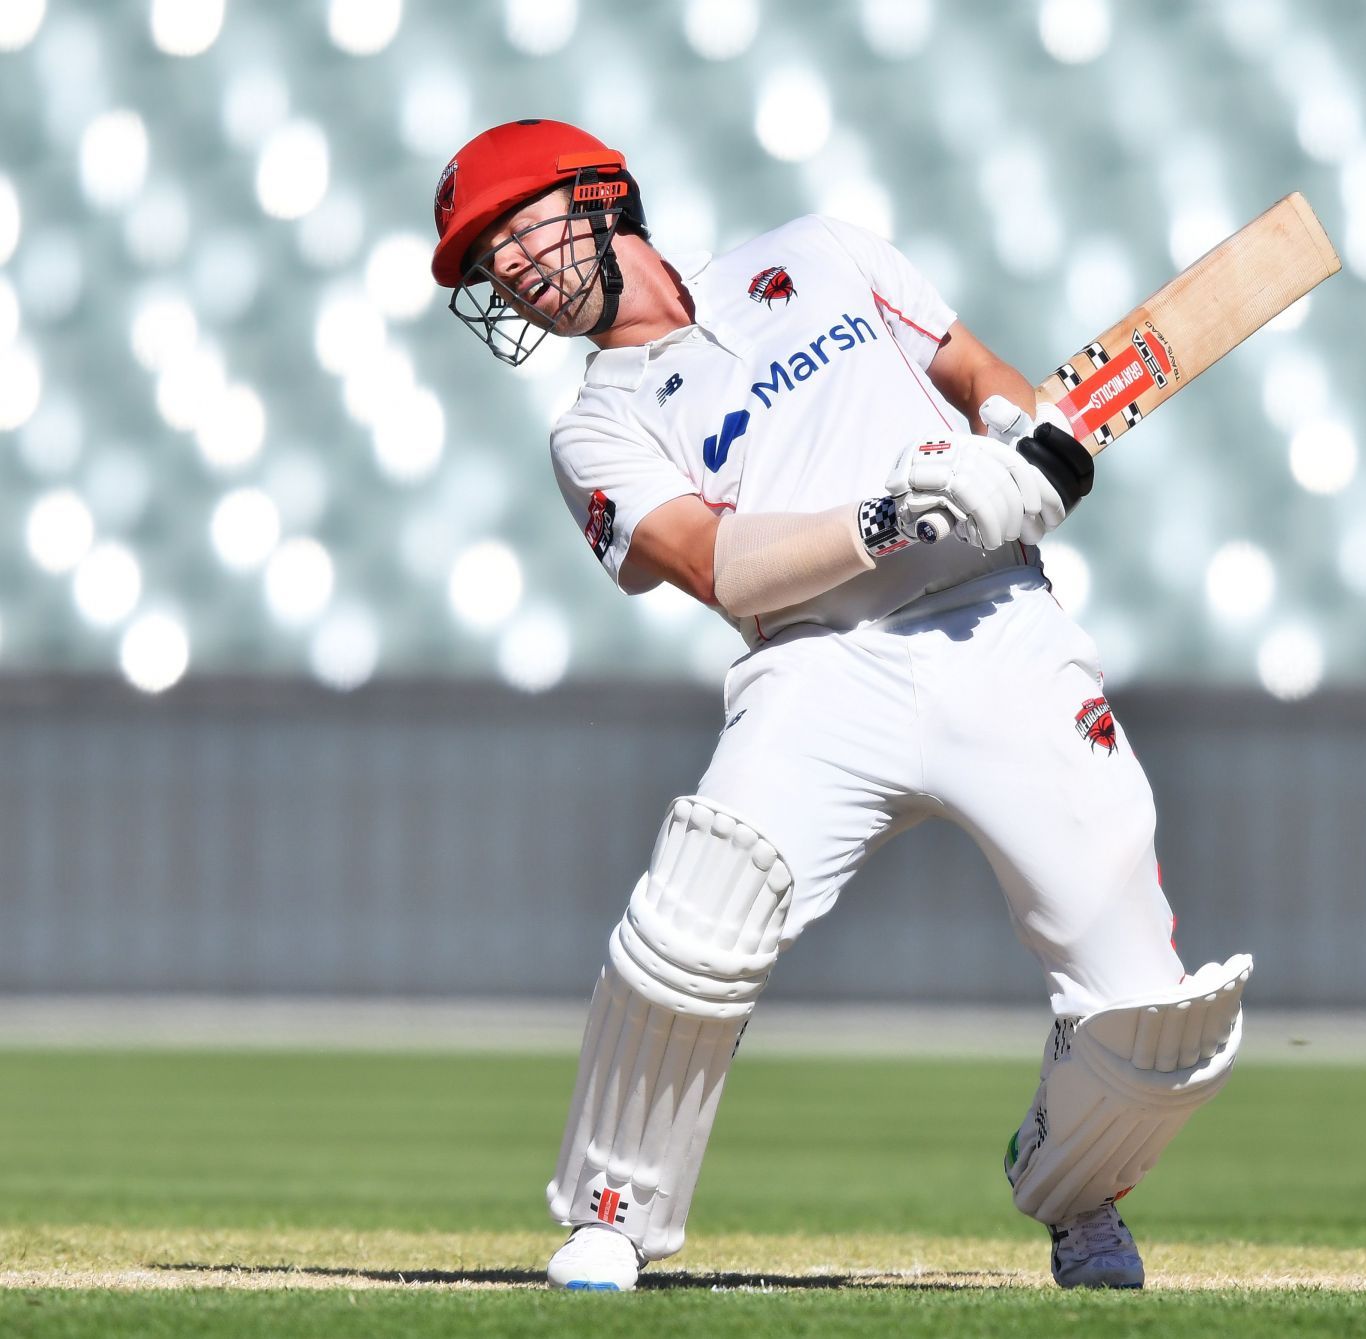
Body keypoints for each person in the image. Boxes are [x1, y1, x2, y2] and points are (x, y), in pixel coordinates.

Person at [428, 118, 1251, 1292]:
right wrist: (886, 517)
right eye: (484, 263)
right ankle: (614, 1209)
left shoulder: (817, 253)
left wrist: (1025, 453)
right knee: (692, 922)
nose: (506, 268)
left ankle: (1077, 1193)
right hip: (817, 669)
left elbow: (979, 376)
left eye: (513, 230)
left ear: (602, 192)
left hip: (996, 630)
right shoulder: (595, 425)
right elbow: (714, 566)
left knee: (1157, 1016)